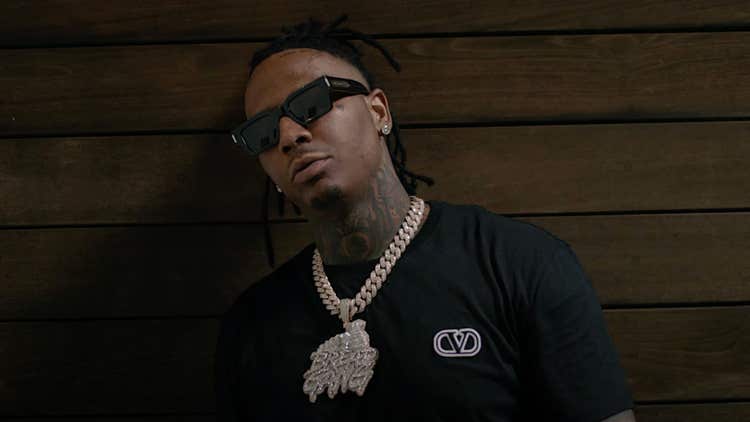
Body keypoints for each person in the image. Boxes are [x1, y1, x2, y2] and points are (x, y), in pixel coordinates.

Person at [215, 15, 636, 422]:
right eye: (264, 132)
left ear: (379, 112)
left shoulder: (518, 263)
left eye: (311, 103)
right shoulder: (250, 325)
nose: (290, 136)